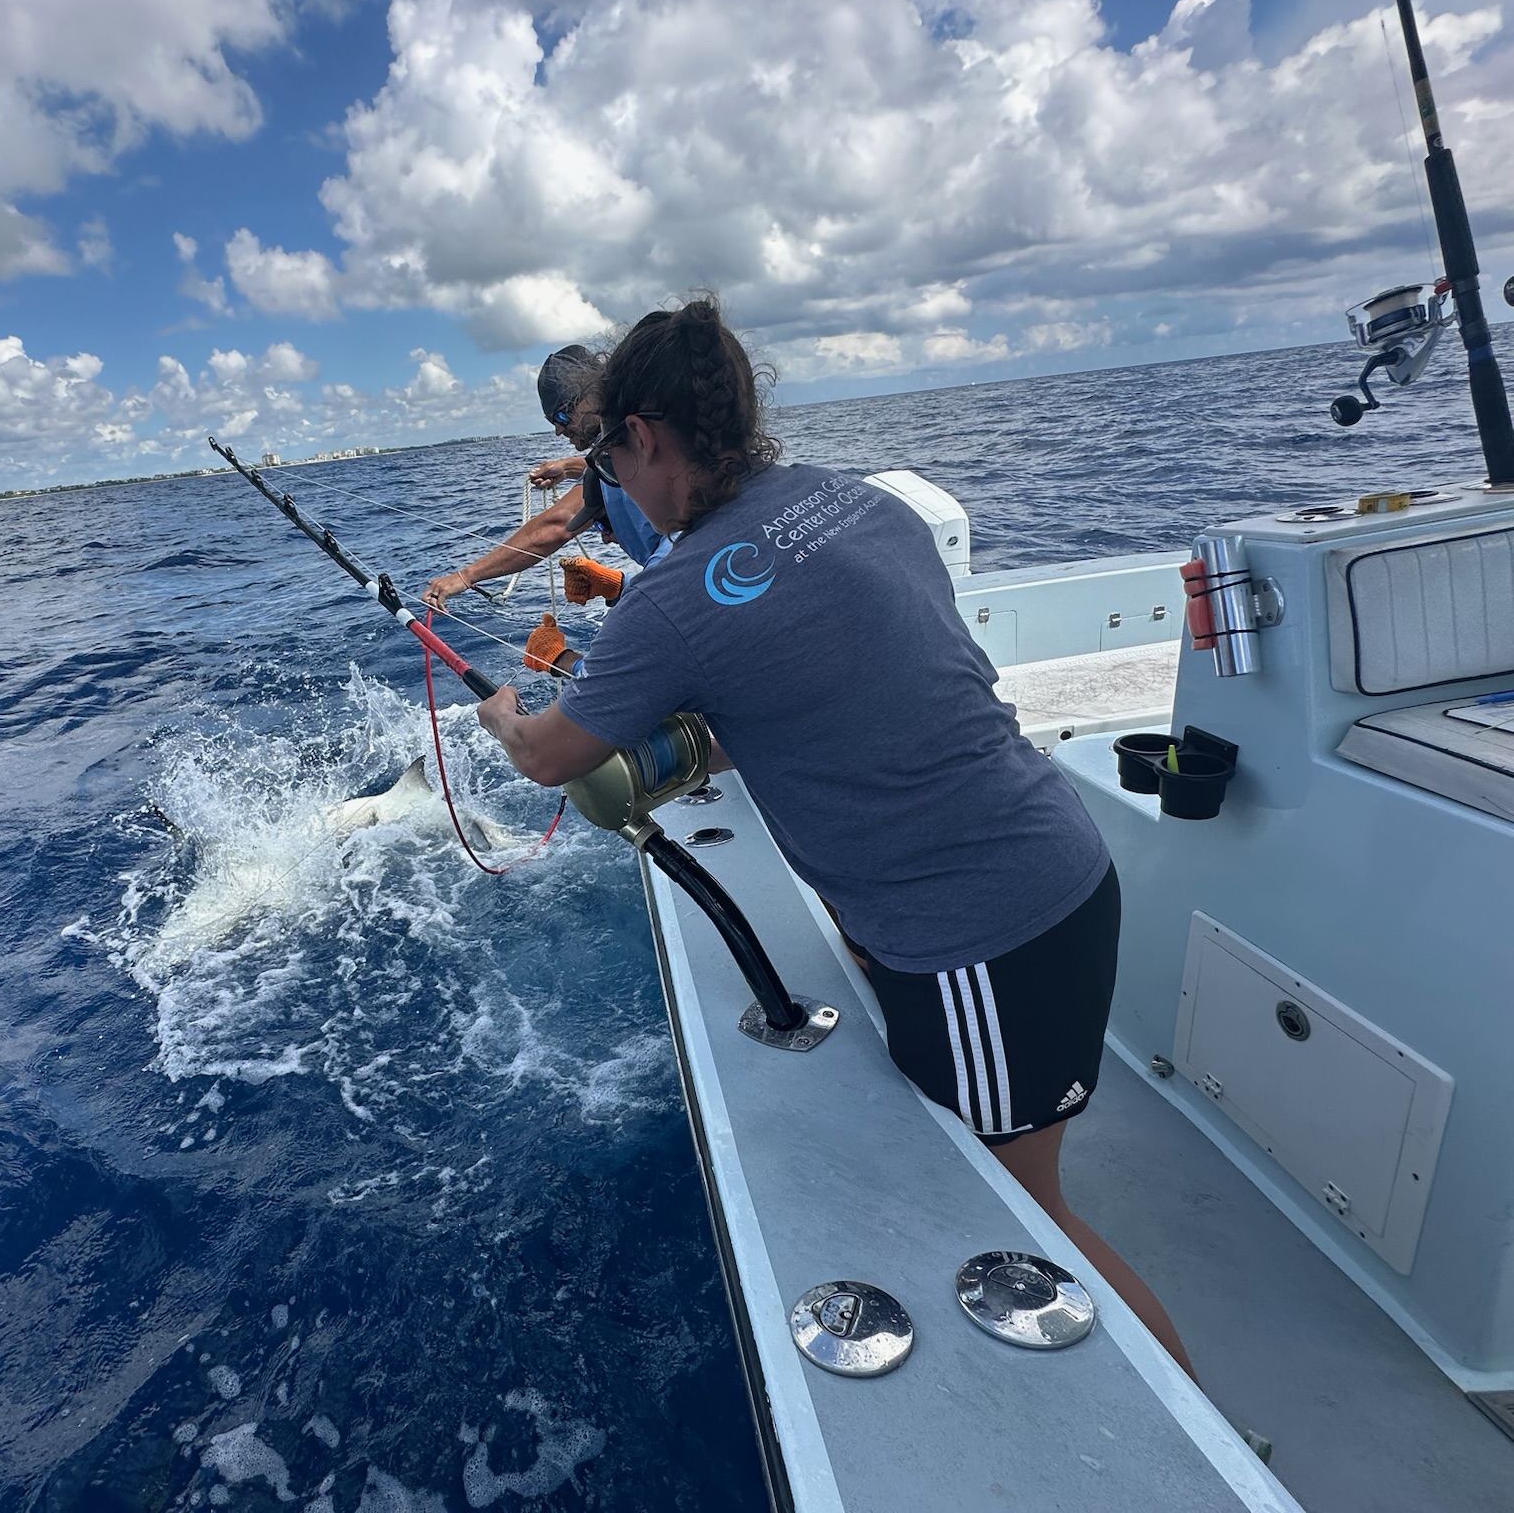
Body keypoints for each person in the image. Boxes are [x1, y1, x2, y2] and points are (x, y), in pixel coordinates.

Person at [473, 297, 1195, 1378]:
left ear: (644, 438)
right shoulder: (855, 502)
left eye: (611, 466)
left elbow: (547, 757)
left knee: (1027, 1224)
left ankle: (1213, 1455)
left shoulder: (670, 600)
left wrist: (501, 716)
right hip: (1050, 861)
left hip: (984, 937)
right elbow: (848, 685)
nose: (611, 489)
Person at [420, 346, 667, 616]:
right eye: (552, 421)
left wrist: (466, 576)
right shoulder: (616, 449)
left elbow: (558, 524)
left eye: (562, 415)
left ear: (593, 393)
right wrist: (618, 585)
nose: (559, 430)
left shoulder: (628, 445)